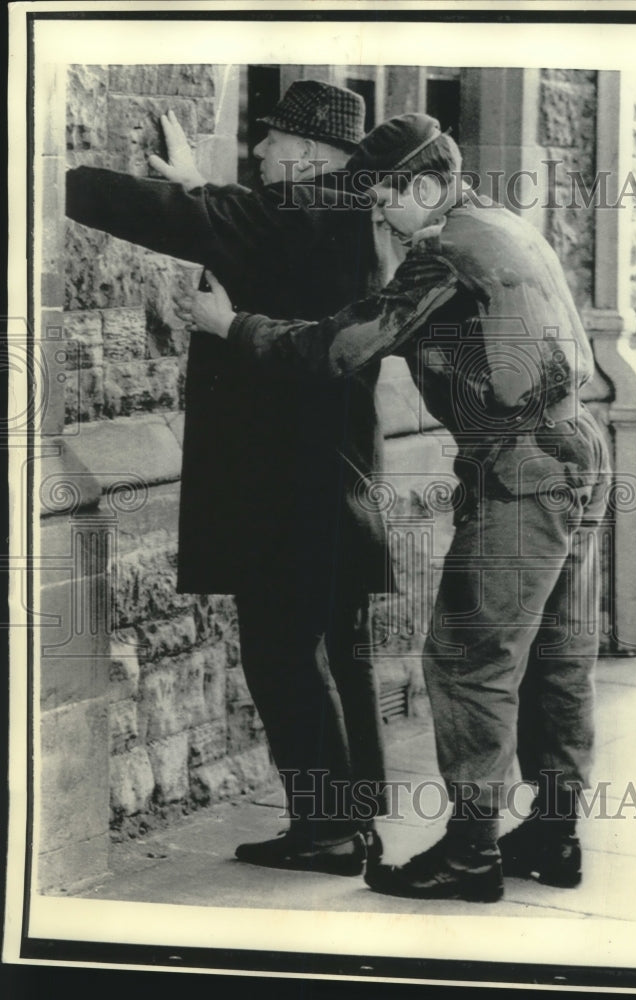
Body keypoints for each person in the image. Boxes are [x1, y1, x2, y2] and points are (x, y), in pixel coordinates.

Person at [179, 113, 613, 903]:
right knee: (555, 655)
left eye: (385, 203)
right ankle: (553, 835)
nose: (380, 219)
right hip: (577, 447)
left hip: (520, 467)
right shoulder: (502, 224)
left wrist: (230, 325)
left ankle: (470, 854)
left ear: (422, 186)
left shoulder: (445, 250)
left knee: (465, 659)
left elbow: (339, 348)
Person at [66, 80, 401, 874]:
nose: (257, 152)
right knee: (336, 653)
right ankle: (351, 824)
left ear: (314, 155)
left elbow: (195, 220)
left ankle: (325, 834)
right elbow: (234, 220)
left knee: (283, 654)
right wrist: (195, 186)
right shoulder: (347, 217)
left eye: (273, 141)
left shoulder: (300, 212)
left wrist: (49, 171)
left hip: (288, 487)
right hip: (339, 475)